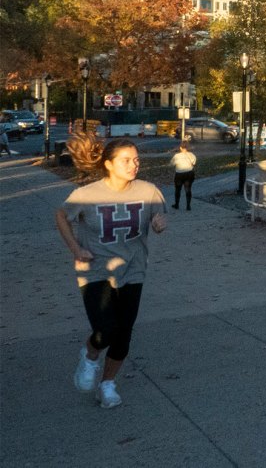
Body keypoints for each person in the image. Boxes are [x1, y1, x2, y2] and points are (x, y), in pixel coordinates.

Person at [54, 132, 167, 409]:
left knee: (124, 332)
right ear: (108, 164)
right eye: (126, 160)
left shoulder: (148, 190)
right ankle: (90, 354)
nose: (133, 165)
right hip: (95, 270)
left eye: (136, 160)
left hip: (133, 269)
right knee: (105, 330)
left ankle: (107, 385)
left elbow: (157, 214)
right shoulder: (86, 195)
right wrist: (75, 249)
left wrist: (159, 221)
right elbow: (61, 216)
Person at [170, 142, 197, 210]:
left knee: (178, 190)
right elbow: (194, 163)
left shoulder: (177, 156)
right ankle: (188, 206)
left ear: (180, 148)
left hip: (179, 174)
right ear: (187, 148)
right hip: (189, 173)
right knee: (188, 189)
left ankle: (177, 204)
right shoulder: (192, 155)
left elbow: (172, 164)